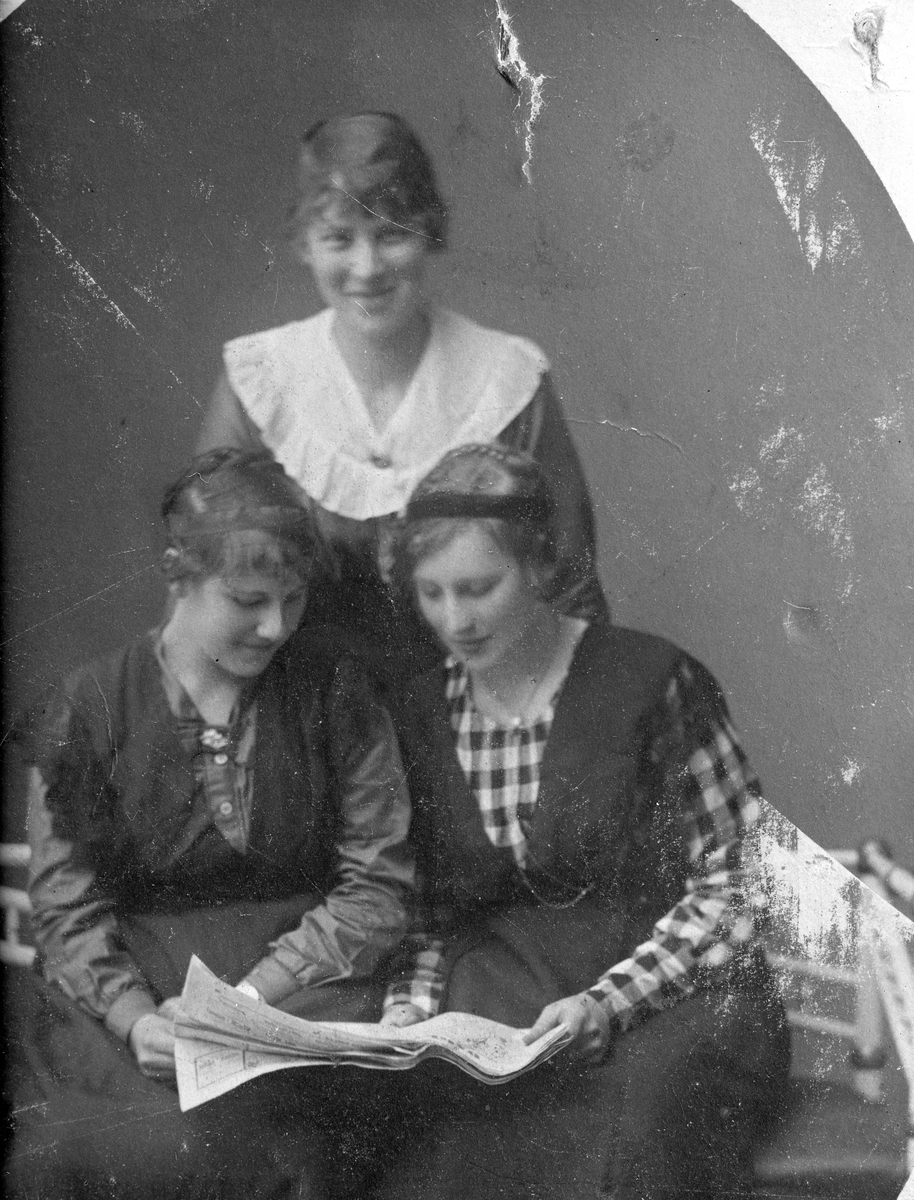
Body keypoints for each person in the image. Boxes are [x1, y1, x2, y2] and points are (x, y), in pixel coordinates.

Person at [374, 444, 791, 1200]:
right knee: (439, 1146)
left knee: (638, 1137)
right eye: (432, 593)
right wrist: (411, 1015)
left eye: (478, 588)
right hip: (514, 1010)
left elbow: (739, 881)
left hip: (681, 1000)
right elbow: (427, 916)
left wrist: (608, 1004)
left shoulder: (653, 680)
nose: (454, 620)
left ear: (539, 566)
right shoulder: (419, 711)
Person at [6, 448, 415, 1200]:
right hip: (133, 1010)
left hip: (299, 997)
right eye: (248, 599)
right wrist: (136, 1020)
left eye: (294, 599)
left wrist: (246, 1006)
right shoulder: (86, 708)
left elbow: (377, 885)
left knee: (322, 1140)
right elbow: (66, 909)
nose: (275, 626)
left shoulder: (338, 692)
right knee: (135, 1150)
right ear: (177, 575)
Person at [197, 112, 604, 690]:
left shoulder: (507, 379)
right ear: (305, 244)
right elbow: (207, 587)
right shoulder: (259, 381)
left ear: (429, 232)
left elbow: (571, 588)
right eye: (339, 238)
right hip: (301, 719)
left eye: (392, 234)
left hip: (486, 715)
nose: (367, 269)